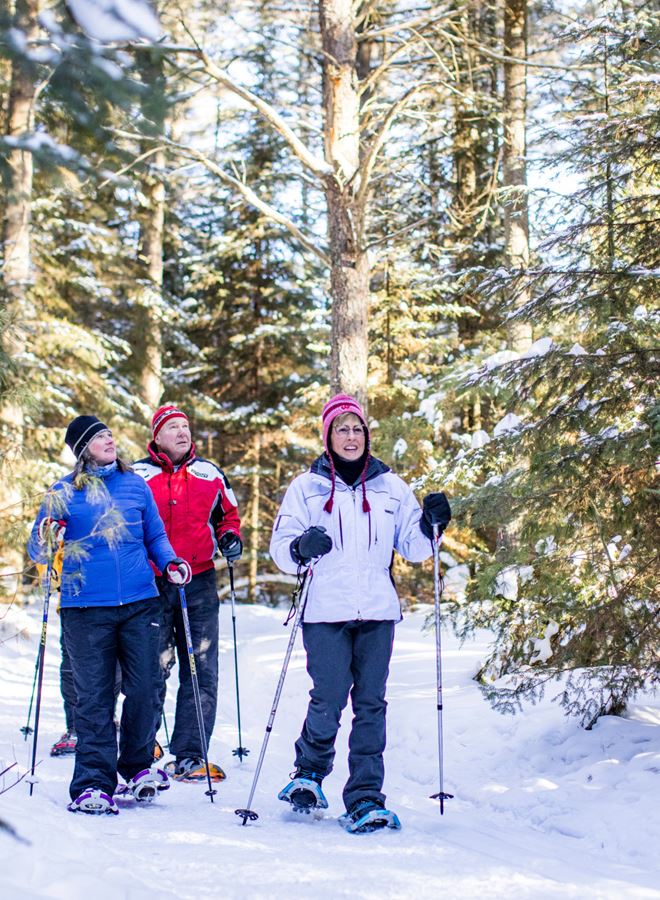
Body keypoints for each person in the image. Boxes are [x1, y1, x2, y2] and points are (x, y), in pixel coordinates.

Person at [269, 394, 452, 833]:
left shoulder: (391, 486)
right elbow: (281, 549)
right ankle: (308, 775)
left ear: (366, 435)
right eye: (342, 429)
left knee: (371, 704)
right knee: (329, 696)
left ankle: (366, 796)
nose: (350, 437)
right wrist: (300, 547)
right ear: (328, 436)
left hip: (376, 609)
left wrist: (434, 524)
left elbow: (414, 547)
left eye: (357, 429)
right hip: (324, 610)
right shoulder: (306, 487)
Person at [28, 415, 189, 815]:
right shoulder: (63, 492)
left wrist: (169, 562)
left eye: (109, 434)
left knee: (146, 687)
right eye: (99, 436)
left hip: (140, 601)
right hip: (85, 607)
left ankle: (137, 766)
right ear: (83, 448)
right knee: (95, 697)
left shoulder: (135, 485)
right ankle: (93, 783)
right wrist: (46, 536)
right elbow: (38, 549)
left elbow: (155, 535)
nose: (109, 440)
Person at [133, 405, 242, 782]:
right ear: (156, 436)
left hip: (199, 580)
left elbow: (228, 516)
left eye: (185, 426)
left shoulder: (210, 473)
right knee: (151, 667)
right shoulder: (137, 475)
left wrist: (230, 537)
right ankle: (141, 746)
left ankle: (190, 754)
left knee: (201, 668)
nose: (182, 432)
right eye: (173, 427)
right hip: (151, 582)